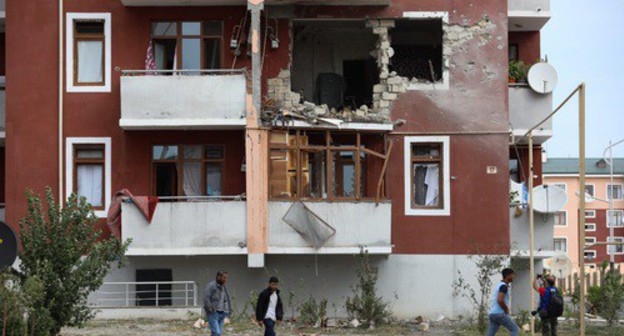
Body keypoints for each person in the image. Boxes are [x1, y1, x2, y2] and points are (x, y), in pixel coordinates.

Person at [486, 268, 519, 336]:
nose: (513, 276)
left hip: (492, 313)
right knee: (514, 329)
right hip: (500, 313)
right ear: (508, 276)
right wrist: (506, 309)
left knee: (490, 334)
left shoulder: (499, 284)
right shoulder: (503, 286)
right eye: (512, 275)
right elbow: (500, 300)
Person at [203, 271, 232, 336]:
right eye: (224, 278)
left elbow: (227, 299)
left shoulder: (224, 287)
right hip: (213, 313)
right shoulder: (211, 285)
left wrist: (229, 311)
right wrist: (210, 309)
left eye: (226, 278)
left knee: (216, 333)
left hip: (222, 313)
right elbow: (206, 298)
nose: (226, 280)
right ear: (219, 277)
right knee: (217, 332)